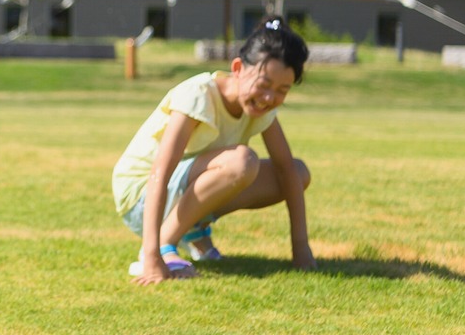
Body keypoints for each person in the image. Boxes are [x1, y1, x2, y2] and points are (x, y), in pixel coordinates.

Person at [112, 17, 315, 285]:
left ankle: (191, 230)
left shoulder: (261, 109)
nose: (269, 98)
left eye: (282, 90)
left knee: (298, 173)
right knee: (242, 161)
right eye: (264, 84)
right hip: (141, 196)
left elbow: (287, 169)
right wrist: (151, 255)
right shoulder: (198, 95)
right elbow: (161, 169)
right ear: (238, 68)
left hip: (179, 190)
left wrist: (301, 249)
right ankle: (163, 245)